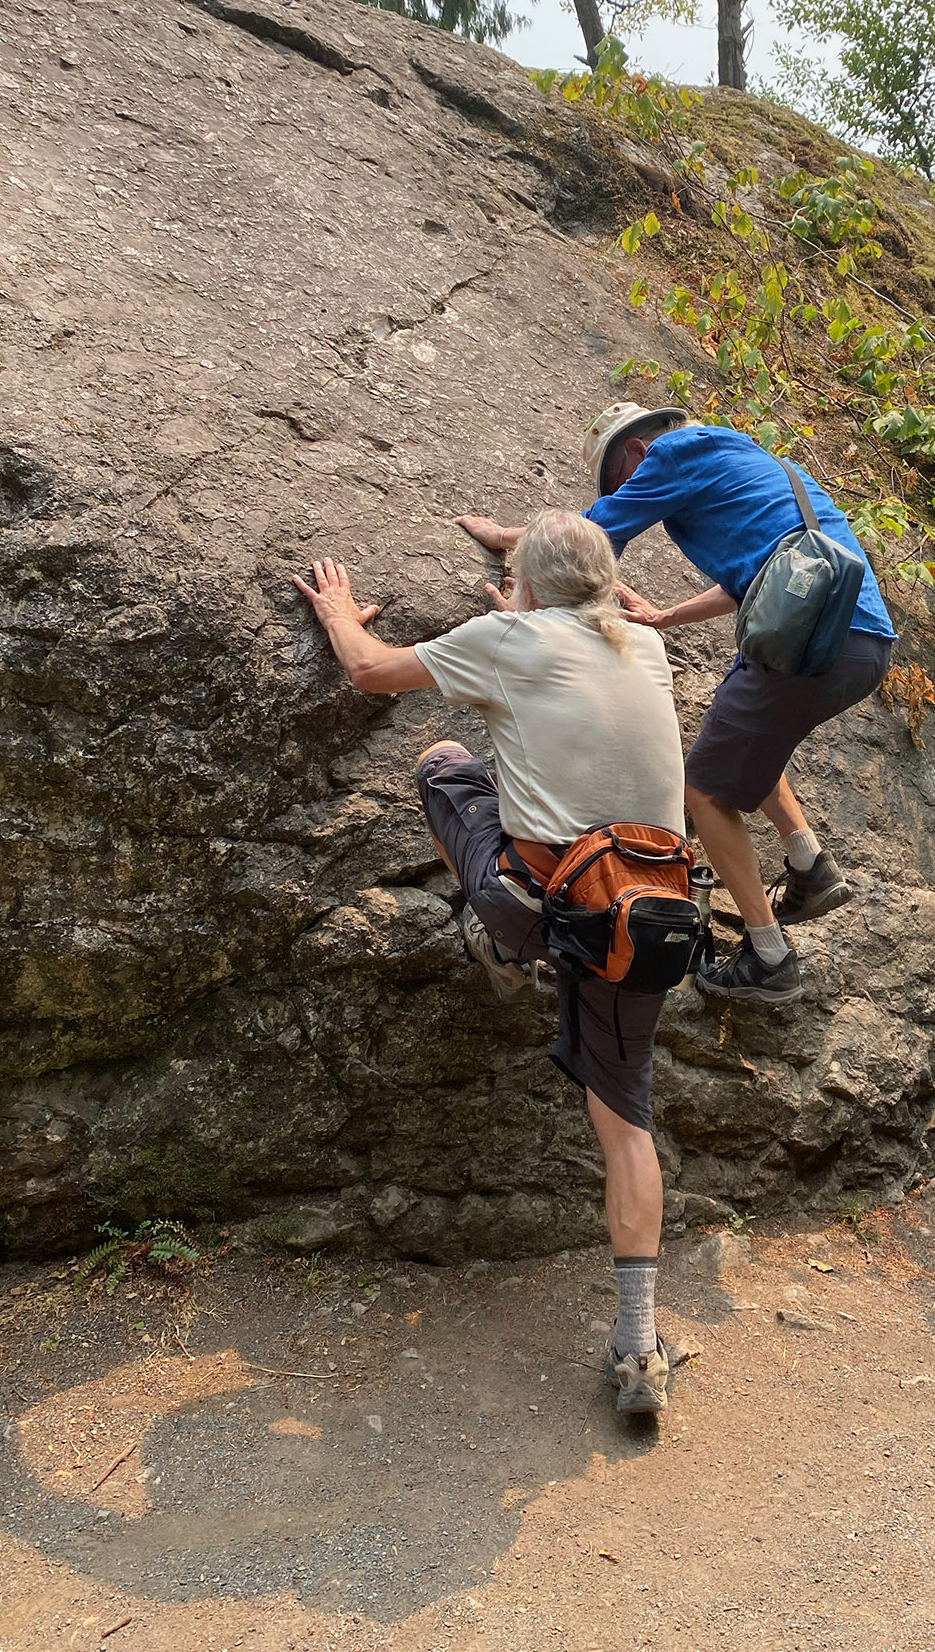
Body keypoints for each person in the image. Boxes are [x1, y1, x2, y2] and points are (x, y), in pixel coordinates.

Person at [292, 511, 686, 1416]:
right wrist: (531, 590)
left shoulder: (506, 638)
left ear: (527, 588)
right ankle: (638, 1347)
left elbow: (369, 671)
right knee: (626, 1124)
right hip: (643, 923)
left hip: (540, 905)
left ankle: (501, 946)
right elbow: (595, 612)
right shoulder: (647, 644)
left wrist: (340, 611)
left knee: (445, 763)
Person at [457, 403, 895, 1003]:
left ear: (637, 452)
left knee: (704, 791)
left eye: (619, 480)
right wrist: (666, 616)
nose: (626, 491)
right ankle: (808, 865)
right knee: (741, 741)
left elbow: (588, 538)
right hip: (859, 645)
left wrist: (509, 541)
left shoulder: (672, 453)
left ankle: (769, 959)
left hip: (813, 645)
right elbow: (755, 577)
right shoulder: (752, 458)